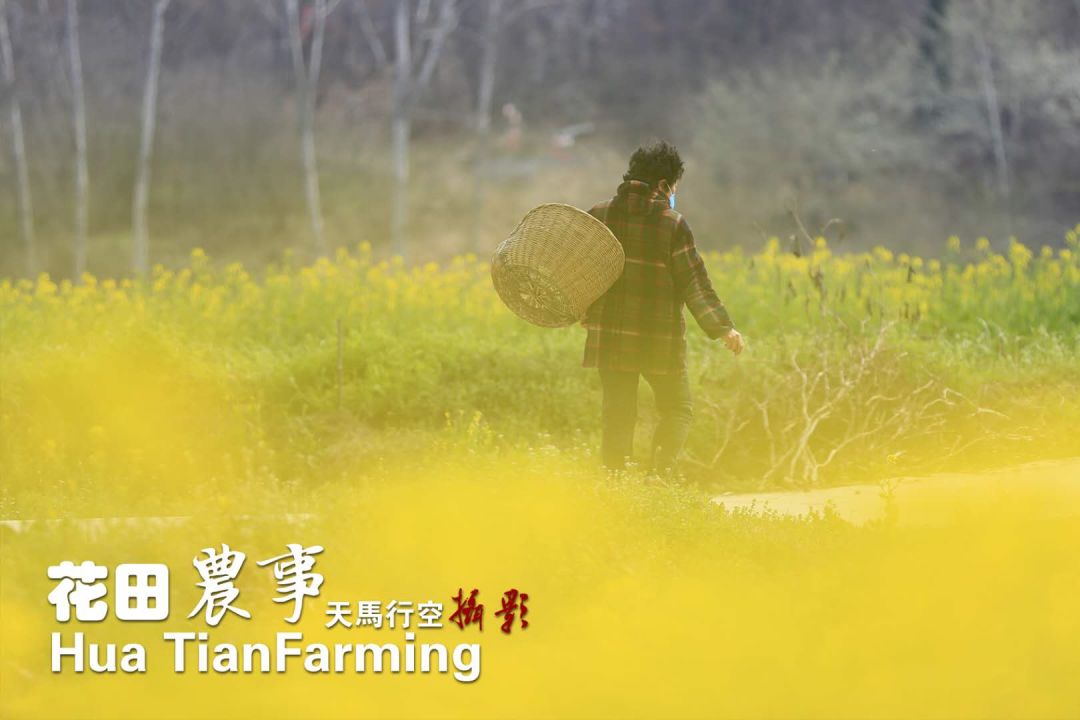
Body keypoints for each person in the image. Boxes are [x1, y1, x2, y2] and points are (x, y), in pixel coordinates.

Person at [583, 141, 743, 473]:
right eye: (674, 186)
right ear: (662, 185)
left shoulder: (598, 215)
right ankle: (657, 478)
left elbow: (579, 270)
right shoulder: (672, 224)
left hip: (610, 336)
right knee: (677, 408)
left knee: (618, 414)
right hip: (658, 340)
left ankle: (616, 484)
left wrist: (581, 310)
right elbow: (693, 281)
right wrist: (723, 328)